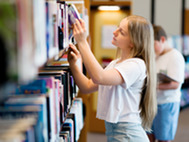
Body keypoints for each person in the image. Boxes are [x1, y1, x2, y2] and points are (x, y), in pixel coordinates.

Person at [68, 15, 157, 142]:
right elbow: (87, 86)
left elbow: (100, 77)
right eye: (117, 28)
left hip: (128, 134)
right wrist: (74, 65)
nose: (114, 32)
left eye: (121, 32)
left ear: (133, 42)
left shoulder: (136, 65)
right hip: (116, 132)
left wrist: (82, 42)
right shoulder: (115, 63)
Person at [147, 25, 185, 142]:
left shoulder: (175, 56)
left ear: (162, 40)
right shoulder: (155, 55)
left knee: (163, 138)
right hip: (152, 103)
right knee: (148, 137)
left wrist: (152, 86)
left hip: (166, 104)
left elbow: (175, 84)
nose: (151, 48)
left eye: (153, 44)